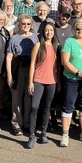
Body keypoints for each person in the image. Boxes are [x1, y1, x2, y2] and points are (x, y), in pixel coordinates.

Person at [59, 17, 82, 147]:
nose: (80, 31)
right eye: (78, 28)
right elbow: (65, 61)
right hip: (71, 79)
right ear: (73, 29)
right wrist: (78, 73)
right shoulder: (69, 41)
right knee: (68, 105)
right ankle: (65, 134)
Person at [26, 21, 60, 149]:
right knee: (34, 107)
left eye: (51, 30)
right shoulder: (38, 45)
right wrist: (30, 81)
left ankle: (43, 133)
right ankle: (31, 135)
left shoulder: (57, 46)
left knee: (47, 108)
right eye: (47, 30)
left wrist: (59, 82)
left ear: (54, 32)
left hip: (52, 81)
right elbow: (33, 64)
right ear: (43, 31)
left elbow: (58, 67)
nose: (49, 32)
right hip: (38, 80)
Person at [5, 14, 38, 136]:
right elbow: (9, 57)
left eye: (28, 24)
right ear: (19, 24)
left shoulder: (35, 38)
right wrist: (9, 75)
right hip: (17, 69)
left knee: (29, 96)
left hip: (31, 69)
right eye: (23, 24)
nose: (26, 26)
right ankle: (16, 123)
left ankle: (27, 123)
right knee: (17, 97)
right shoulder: (14, 38)